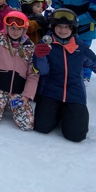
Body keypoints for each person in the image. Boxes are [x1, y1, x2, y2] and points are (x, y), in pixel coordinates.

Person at [33, 9, 96, 142]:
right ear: (53, 27)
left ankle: (67, 113)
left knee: (76, 135)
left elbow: (93, 63)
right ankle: (59, 111)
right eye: (59, 26)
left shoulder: (79, 46)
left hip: (75, 93)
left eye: (67, 27)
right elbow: (43, 71)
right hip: (51, 90)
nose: (63, 30)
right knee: (42, 127)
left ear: (72, 29)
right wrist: (39, 56)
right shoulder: (46, 44)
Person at [0, 3, 38, 131]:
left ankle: (9, 104)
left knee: (27, 125)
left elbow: (33, 75)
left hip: (18, 92)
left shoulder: (30, 48)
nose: (15, 31)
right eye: (12, 28)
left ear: (24, 30)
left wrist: (26, 95)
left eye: (19, 29)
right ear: (7, 28)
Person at [52, 0, 96, 82]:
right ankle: (68, 72)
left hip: (85, 29)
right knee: (69, 50)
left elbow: (93, 13)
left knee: (83, 51)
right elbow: (58, 5)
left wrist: (74, 21)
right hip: (68, 28)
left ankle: (85, 75)